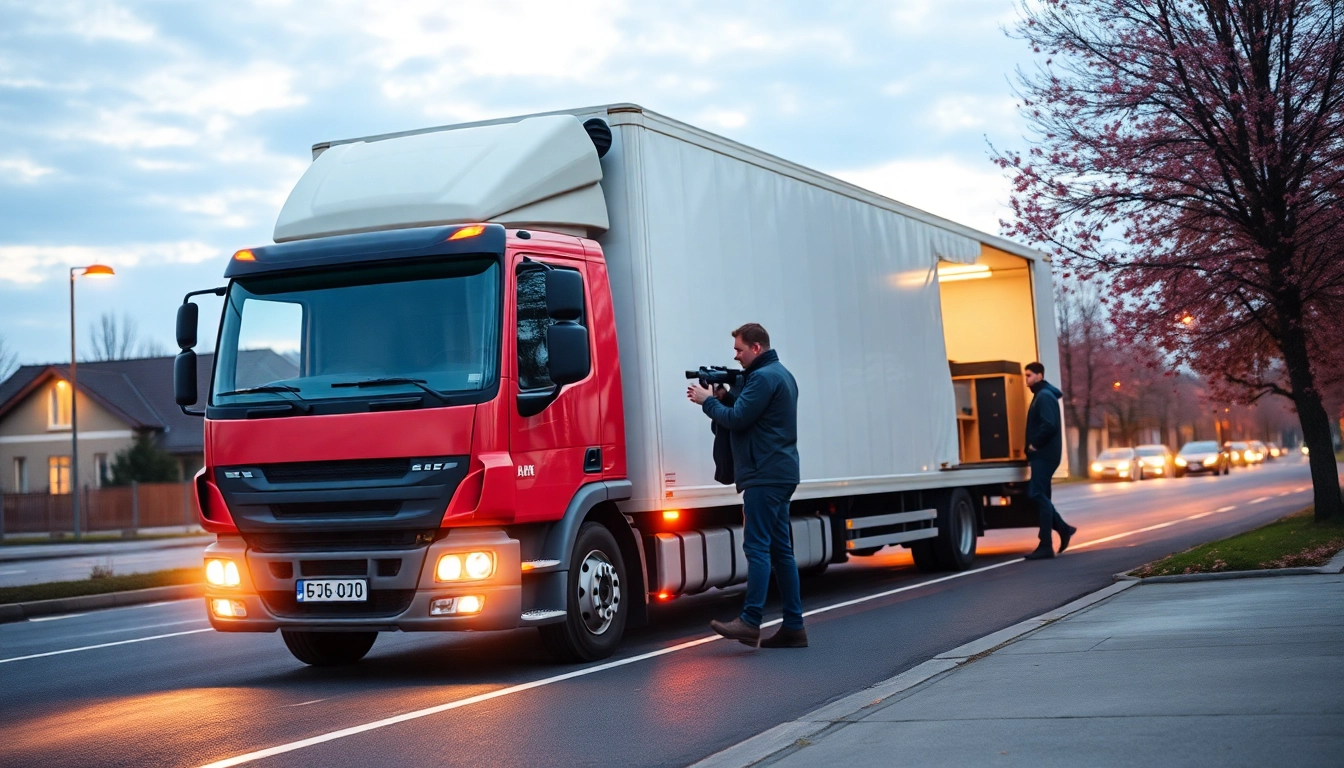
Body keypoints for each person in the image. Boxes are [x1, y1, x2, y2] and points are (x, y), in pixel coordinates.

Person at [687, 323, 805, 648]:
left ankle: (751, 621)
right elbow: (750, 411)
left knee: (756, 547)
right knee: (782, 552)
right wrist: (726, 396)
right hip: (779, 472)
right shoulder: (780, 374)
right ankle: (794, 627)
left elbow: (738, 418)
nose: (735, 356)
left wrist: (707, 401)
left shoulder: (763, 378)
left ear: (756, 348)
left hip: (764, 474)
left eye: (739, 349)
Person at [1023, 361, 1076, 560]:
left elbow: (1049, 425)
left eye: (1028, 375)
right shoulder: (1043, 395)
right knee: (1041, 494)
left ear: (1039, 375)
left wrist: (1034, 444)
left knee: (1036, 493)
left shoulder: (1044, 396)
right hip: (1046, 454)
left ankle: (1047, 543)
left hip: (1044, 455)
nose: (1026, 380)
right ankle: (1062, 530)